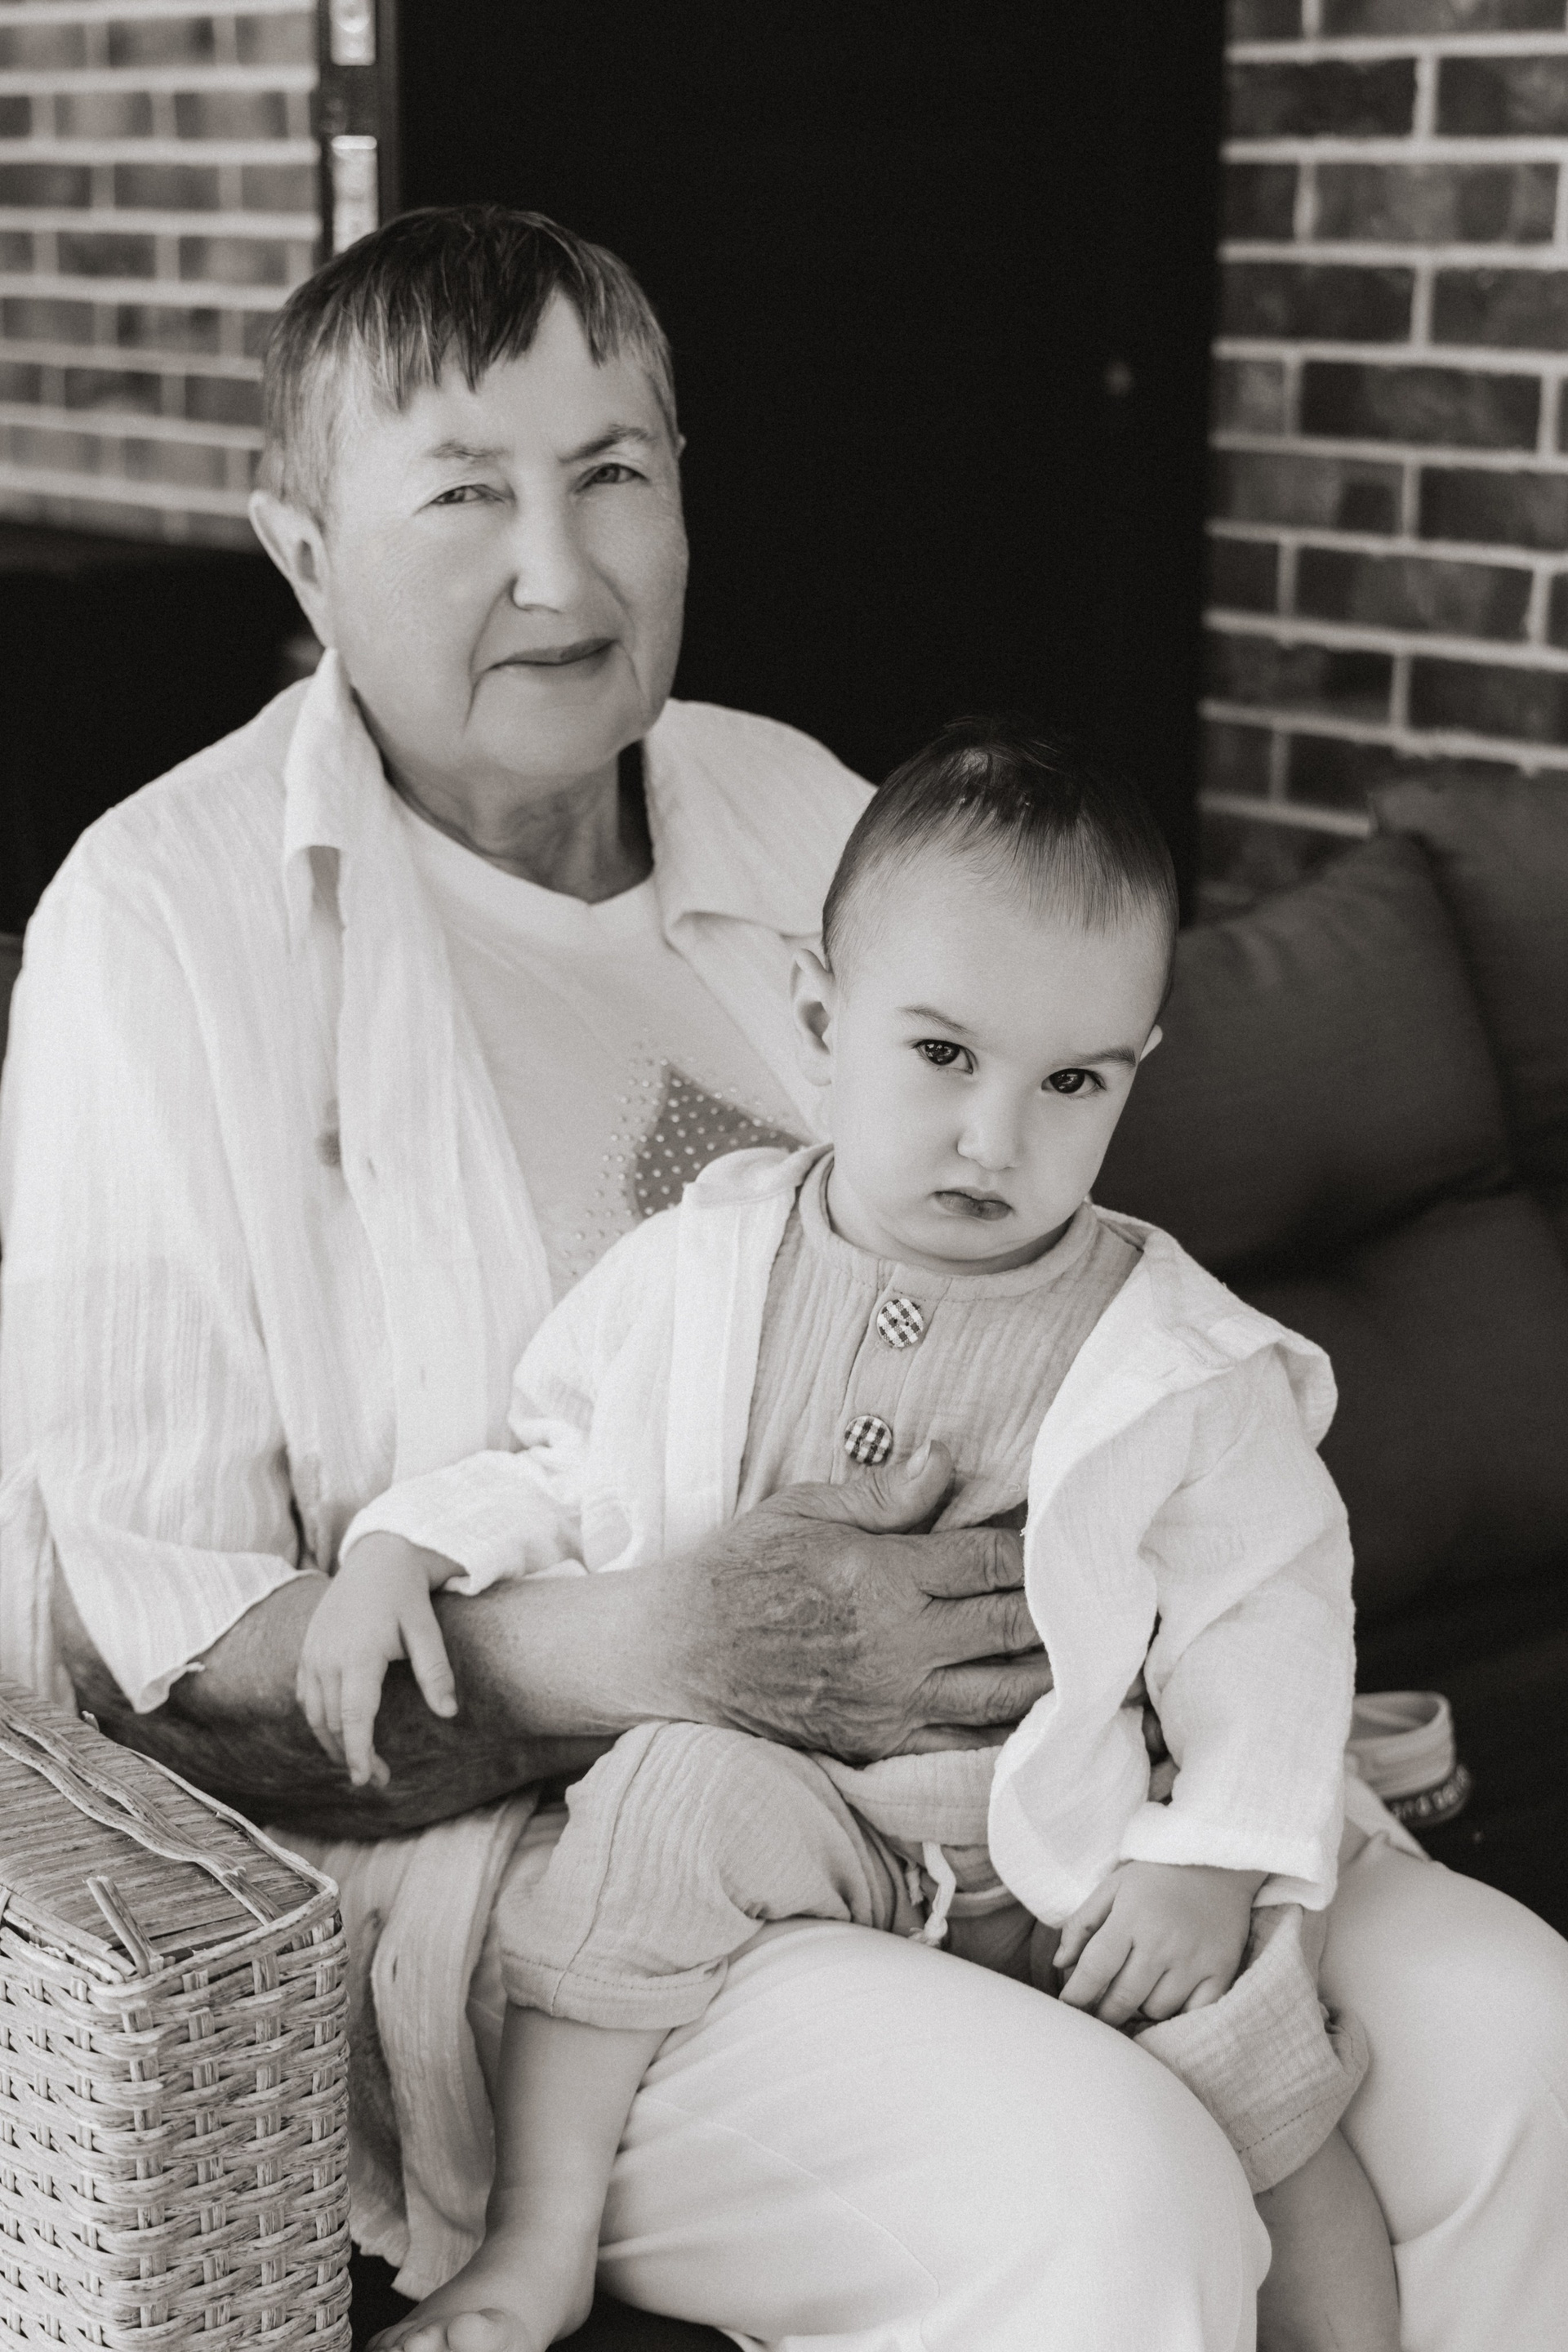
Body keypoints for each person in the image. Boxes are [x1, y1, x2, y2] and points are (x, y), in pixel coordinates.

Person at [0, 204, 1564, 2351]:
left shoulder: (802, 806)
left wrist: (1216, 1758)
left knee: (1520, 2036)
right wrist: (656, 1648)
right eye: (463, 496)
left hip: (1044, 1796)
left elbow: (1074, 1323)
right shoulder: (164, 932)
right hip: (570, 1882)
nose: (560, 568)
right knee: (1096, 2191)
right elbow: (145, 1685)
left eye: (613, 472)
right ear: (302, 551)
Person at [303, 721, 1396, 2352]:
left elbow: (1272, 1612)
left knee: (1268, 2090)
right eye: (943, 1055)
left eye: (1072, 1083)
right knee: (648, 1819)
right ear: (822, 1020)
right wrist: (408, 1547)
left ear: (1134, 1071)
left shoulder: (1176, 1360)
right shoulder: (706, 1263)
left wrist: (1211, 1857)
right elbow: (563, 1457)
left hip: (1058, 1835)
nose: (994, 1138)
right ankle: (536, 2241)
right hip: (795, 1803)